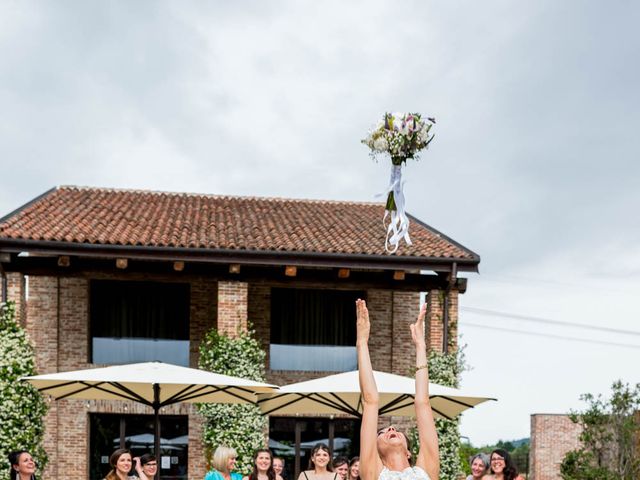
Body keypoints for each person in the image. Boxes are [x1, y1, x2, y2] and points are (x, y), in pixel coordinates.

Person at [356, 299, 439, 480]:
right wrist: (362, 342)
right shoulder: (374, 473)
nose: (391, 428)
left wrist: (420, 346)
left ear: (409, 452)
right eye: (382, 432)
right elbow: (370, 401)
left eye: (390, 429)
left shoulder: (426, 472)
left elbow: (423, 402)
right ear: (375, 450)